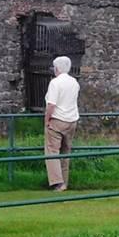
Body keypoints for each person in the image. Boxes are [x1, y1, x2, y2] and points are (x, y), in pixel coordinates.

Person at [43, 55, 80, 191]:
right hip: (72, 120)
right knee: (66, 151)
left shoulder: (55, 83)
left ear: (57, 68)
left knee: (52, 151)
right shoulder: (74, 82)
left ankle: (57, 182)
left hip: (58, 120)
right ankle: (65, 181)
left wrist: (46, 120)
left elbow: (51, 105)